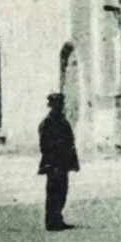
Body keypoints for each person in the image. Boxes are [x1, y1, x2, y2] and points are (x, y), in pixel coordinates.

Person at [38, 92, 80, 232]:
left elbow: (70, 143)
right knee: (53, 192)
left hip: (63, 162)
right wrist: (51, 162)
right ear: (51, 105)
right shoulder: (48, 123)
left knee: (62, 192)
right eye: (57, 104)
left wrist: (73, 161)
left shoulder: (62, 121)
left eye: (61, 104)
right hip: (54, 163)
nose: (60, 106)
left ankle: (58, 218)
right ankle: (51, 221)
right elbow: (45, 146)